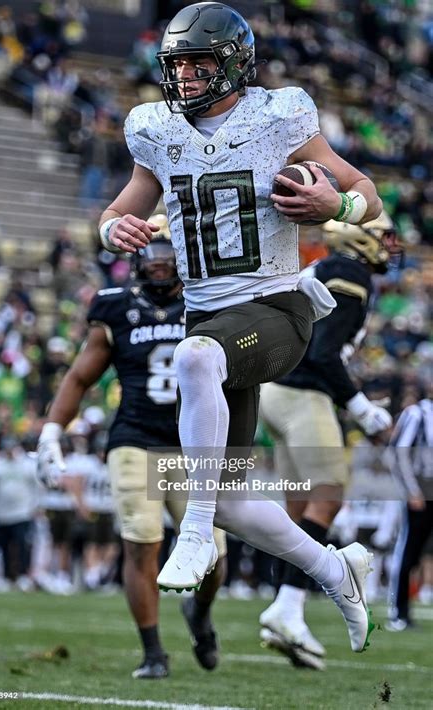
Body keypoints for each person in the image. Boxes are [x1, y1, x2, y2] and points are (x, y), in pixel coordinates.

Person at [98, 2, 384, 653]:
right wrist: (115, 228)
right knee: (226, 494)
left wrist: (336, 205)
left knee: (195, 357)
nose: (188, 75)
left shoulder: (278, 116)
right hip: (212, 318)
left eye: (201, 61)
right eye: (179, 63)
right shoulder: (154, 130)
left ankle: (194, 534)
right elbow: (118, 212)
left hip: (275, 310)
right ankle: (336, 569)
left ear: (233, 63)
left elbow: (365, 190)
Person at [37, 225, 226, 678]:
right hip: (134, 438)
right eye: (151, 251)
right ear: (136, 258)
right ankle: (153, 652)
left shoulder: (209, 299)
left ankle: (199, 615)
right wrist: (50, 431)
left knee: (213, 554)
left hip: (195, 445)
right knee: (142, 544)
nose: (159, 260)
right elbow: (81, 377)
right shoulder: (116, 307)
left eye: (168, 250)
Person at [258, 213, 398, 669]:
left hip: (275, 390)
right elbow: (322, 353)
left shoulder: (330, 267)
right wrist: (361, 408)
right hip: (301, 393)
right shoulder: (350, 272)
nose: (390, 246)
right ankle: (287, 608)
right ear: (362, 237)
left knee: (299, 514)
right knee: (329, 496)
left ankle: (284, 612)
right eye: (384, 237)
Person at [386, 389, 433, 632]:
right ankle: (398, 610)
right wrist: (412, 490)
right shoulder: (417, 414)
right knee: (409, 551)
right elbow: (397, 453)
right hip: (421, 489)